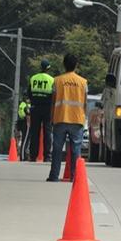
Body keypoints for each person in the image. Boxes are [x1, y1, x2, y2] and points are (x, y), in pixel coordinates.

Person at [47, 53, 88, 182]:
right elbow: (85, 102)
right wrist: (83, 116)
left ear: (64, 65)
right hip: (77, 120)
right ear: (76, 65)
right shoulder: (83, 82)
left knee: (57, 149)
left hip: (60, 118)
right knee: (76, 149)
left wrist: (51, 117)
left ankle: (54, 176)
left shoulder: (57, 80)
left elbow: (53, 101)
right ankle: (75, 177)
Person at [28, 59, 55, 161]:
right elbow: (53, 95)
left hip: (35, 107)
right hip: (47, 108)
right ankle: (47, 156)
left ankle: (33, 155)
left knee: (34, 132)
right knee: (47, 132)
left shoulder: (33, 78)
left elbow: (29, 93)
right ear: (48, 68)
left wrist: (34, 101)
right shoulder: (51, 80)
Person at [17, 94, 31, 161]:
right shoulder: (26, 105)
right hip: (26, 123)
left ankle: (24, 156)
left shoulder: (22, 104)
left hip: (23, 122)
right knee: (25, 140)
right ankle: (23, 157)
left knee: (25, 140)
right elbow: (28, 114)